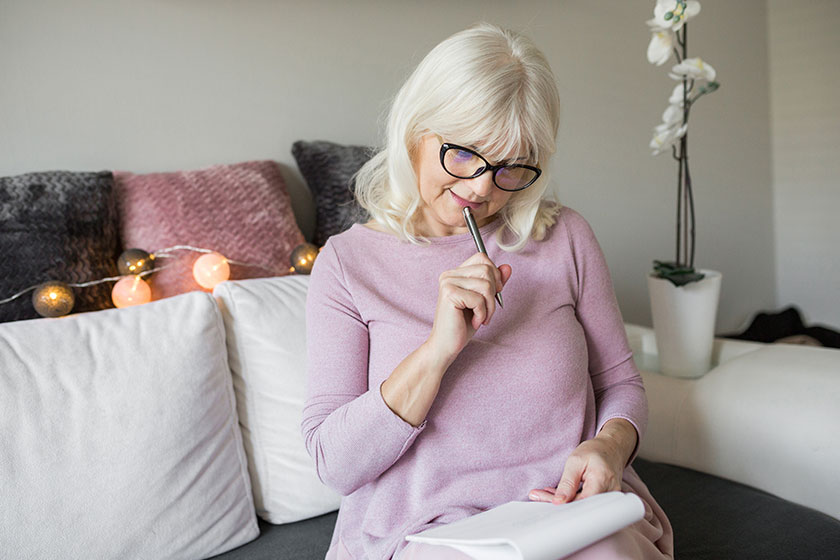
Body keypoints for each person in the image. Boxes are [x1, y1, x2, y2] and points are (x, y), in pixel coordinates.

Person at [301, 22, 674, 560]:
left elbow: (619, 382)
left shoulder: (565, 236)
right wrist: (437, 351)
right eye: (464, 154)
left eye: (510, 168)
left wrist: (610, 447)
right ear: (415, 132)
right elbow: (334, 465)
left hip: (566, 514)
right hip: (425, 532)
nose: (481, 188)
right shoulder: (347, 264)